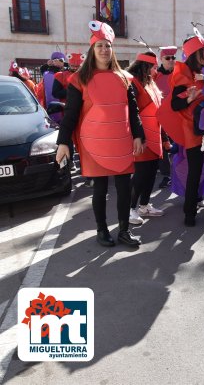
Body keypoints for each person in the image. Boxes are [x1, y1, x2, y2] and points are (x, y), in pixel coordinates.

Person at [55, 20, 145, 247]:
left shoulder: (125, 78)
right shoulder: (80, 80)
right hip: (94, 144)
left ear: (113, 49)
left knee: (125, 188)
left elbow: (132, 110)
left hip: (121, 142)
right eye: (99, 46)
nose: (104, 50)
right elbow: (71, 114)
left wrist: (138, 135)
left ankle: (124, 230)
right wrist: (63, 142)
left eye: (108, 46)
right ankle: (102, 230)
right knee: (101, 190)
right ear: (92, 50)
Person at [156, 27, 204, 227]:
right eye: (203, 51)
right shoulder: (182, 73)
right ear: (195, 54)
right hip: (193, 130)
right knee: (194, 172)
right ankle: (189, 213)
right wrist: (189, 98)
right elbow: (175, 104)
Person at [127, 51, 165, 225]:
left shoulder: (151, 83)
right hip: (141, 136)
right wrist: (137, 135)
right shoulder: (132, 83)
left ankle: (144, 205)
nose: (156, 71)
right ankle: (129, 209)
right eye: (153, 67)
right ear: (145, 67)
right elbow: (131, 113)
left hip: (155, 135)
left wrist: (164, 137)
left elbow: (158, 111)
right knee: (141, 174)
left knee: (151, 173)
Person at [154, 46, 177, 189]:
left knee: (177, 146)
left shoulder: (179, 73)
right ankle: (166, 175)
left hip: (177, 115)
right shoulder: (155, 75)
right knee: (163, 146)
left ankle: (178, 173)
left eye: (173, 58)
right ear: (161, 59)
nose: (171, 60)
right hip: (160, 116)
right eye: (167, 58)